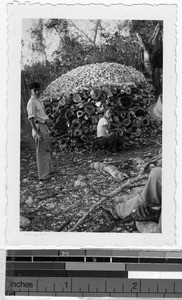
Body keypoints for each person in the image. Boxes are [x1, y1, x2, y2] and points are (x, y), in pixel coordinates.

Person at [101, 94, 162, 233]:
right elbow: (107, 131)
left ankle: (139, 216)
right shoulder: (104, 120)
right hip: (102, 139)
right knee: (156, 174)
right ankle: (126, 211)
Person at [26, 82, 53, 181]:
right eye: (34, 91)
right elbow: (31, 119)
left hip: (44, 125)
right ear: (31, 91)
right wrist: (37, 132)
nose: (37, 92)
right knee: (41, 151)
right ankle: (43, 175)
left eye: (38, 90)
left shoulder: (38, 100)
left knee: (47, 149)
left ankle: (49, 171)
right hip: (38, 126)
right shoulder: (31, 102)